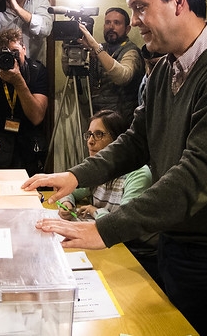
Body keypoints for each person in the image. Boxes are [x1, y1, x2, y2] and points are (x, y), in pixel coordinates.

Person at [22, 0, 207, 336]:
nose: (134, 20)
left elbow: (196, 174)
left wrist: (104, 229)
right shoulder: (164, 69)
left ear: (179, 1)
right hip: (172, 239)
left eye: (140, 7)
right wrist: (74, 176)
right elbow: (135, 141)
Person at [56, 110, 157, 284]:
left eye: (99, 134)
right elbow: (70, 189)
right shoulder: (98, 170)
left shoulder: (138, 174)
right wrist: (67, 202)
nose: (90, 141)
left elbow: (125, 225)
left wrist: (96, 212)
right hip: (108, 245)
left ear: (119, 140)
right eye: (89, 134)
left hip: (134, 253)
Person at [0, 27, 48, 176]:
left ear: (24, 49)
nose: (11, 58)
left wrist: (18, 81)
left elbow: (37, 117)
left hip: (26, 143)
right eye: (4, 54)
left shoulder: (36, 71)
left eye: (15, 52)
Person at [65, 7, 144, 124]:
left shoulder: (131, 51)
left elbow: (123, 77)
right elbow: (69, 72)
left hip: (121, 122)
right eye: (107, 22)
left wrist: (95, 47)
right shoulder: (100, 48)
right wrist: (68, 47)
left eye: (117, 23)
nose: (111, 27)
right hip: (96, 118)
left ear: (127, 29)